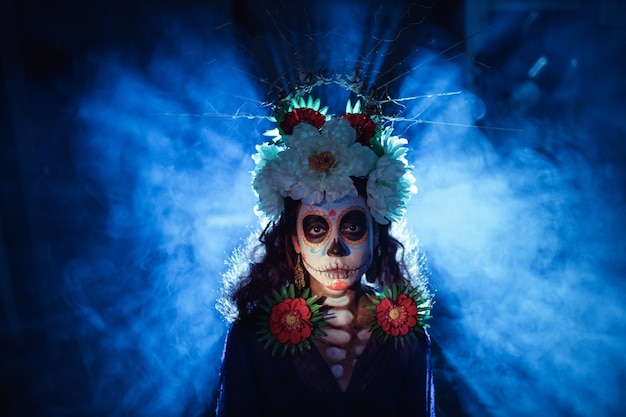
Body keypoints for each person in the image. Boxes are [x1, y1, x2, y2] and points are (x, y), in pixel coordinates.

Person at [216, 92, 435, 417]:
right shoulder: (251, 338)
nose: (336, 248)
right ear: (293, 239)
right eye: (317, 228)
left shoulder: (407, 336)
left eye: (353, 227)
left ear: (377, 234)